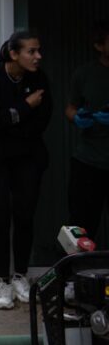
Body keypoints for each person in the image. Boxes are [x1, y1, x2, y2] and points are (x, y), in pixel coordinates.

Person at [0, 30, 51, 309]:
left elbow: (42, 120)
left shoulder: (39, 78)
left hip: (26, 158)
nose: (38, 56)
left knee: (25, 215)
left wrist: (5, 120)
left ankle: (20, 276)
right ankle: (2, 282)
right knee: (0, 217)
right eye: (31, 51)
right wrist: (24, 107)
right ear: (14, 54)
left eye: (38, 50)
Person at [65, 19, 109, 240]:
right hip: (88, 160)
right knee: (82, 225)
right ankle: (78, 271)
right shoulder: (84, 74)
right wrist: (77, 117)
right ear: (99, 46)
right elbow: (70, 109)